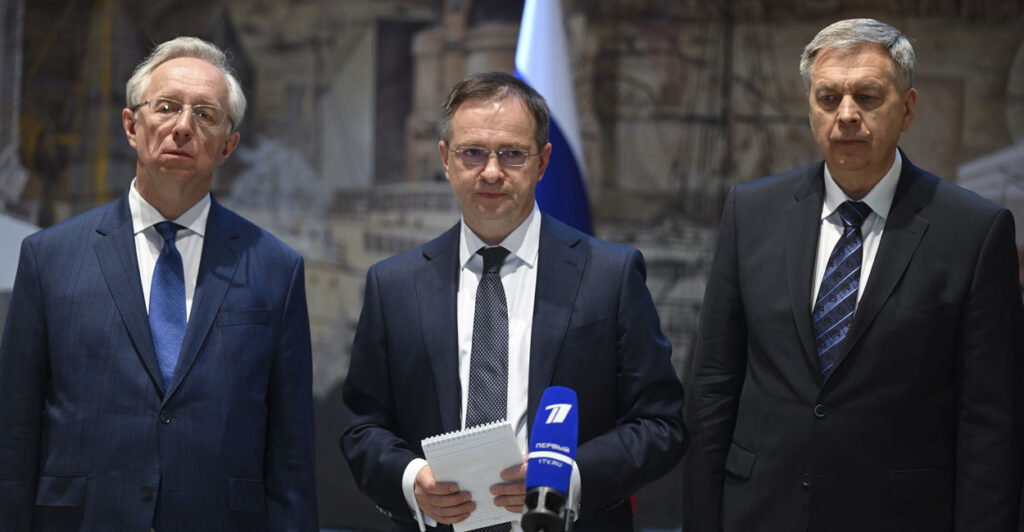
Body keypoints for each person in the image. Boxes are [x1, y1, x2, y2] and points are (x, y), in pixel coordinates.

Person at [683, 18, 1024, 532]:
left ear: (907, 108)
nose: (846, 115)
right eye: (828, 98)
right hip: (761, 511)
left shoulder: (974, 232)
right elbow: (713, 384)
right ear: (810, 107)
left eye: (867, 97)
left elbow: (991, 424)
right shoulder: (750, 213)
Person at [341, 71, 686, 531]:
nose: (491, 172)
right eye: (472, 152)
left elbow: (661, 424)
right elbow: (362, 426)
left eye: (512, 154)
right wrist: (411, 481)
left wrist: (565, 478)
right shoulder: (394, 285)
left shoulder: (611, 275)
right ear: (445, 159)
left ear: (543, 163)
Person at [0, 36, 318, 530]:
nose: (183, 127)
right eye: (166, 107)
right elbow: (13, 435)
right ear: (132, 125)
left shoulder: (275, 268)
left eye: (205, 115)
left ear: (228, 145)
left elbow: (291, 453)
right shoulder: (50, 258)